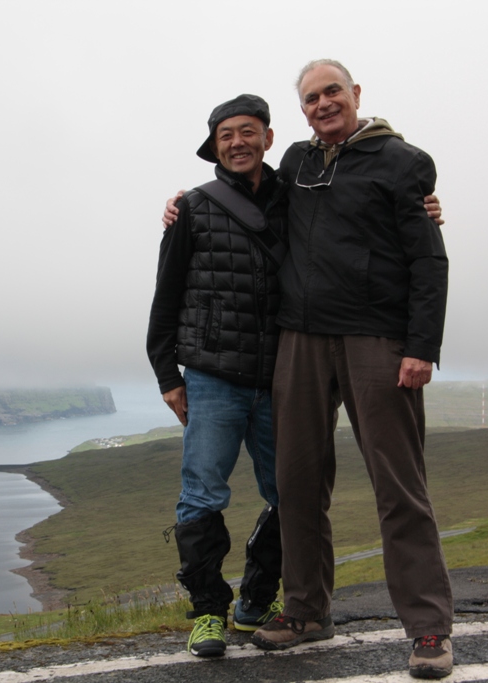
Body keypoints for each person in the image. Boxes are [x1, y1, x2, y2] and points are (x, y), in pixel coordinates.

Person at [247, 59, 454, 680]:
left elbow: (429, 262)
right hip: (301, 337)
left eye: (332, 91)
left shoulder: (402, 162)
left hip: (377, 337)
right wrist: (184, 201)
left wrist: (421, 347)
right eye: (310, 98)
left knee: (399, 488)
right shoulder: (296, 165)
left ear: (356, 94)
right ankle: (307, 611)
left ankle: (428, 630)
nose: (322, 104)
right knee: (298, 482)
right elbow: (252, 202)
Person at [147, 94, 288, 658]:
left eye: (247, 131)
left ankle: (257, 600)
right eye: (226, 134)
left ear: (267, 138)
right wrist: (167, 375)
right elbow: (166, 295)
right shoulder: (193, 208)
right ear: (215, 145)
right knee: (201, 495)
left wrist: (422, 208)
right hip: (211, 376)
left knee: (290, 495)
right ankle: (208, 613)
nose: (237, 142)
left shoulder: (298, 202)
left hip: (282, 378)